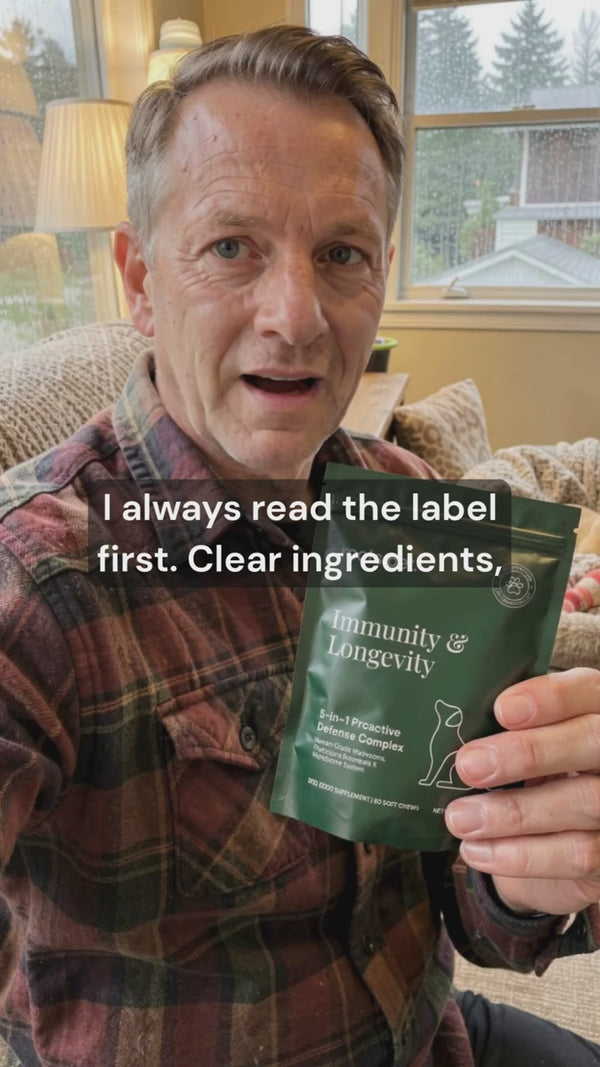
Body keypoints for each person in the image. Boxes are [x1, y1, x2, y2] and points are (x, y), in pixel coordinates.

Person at [0, 25, 599, 1067]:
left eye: (341, 254)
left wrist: (526, 870)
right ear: (139, 279)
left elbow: (469, 897)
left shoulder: (410, 501)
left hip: (435, 1035)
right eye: (232, 246)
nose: (297, 316)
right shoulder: (40, 576)